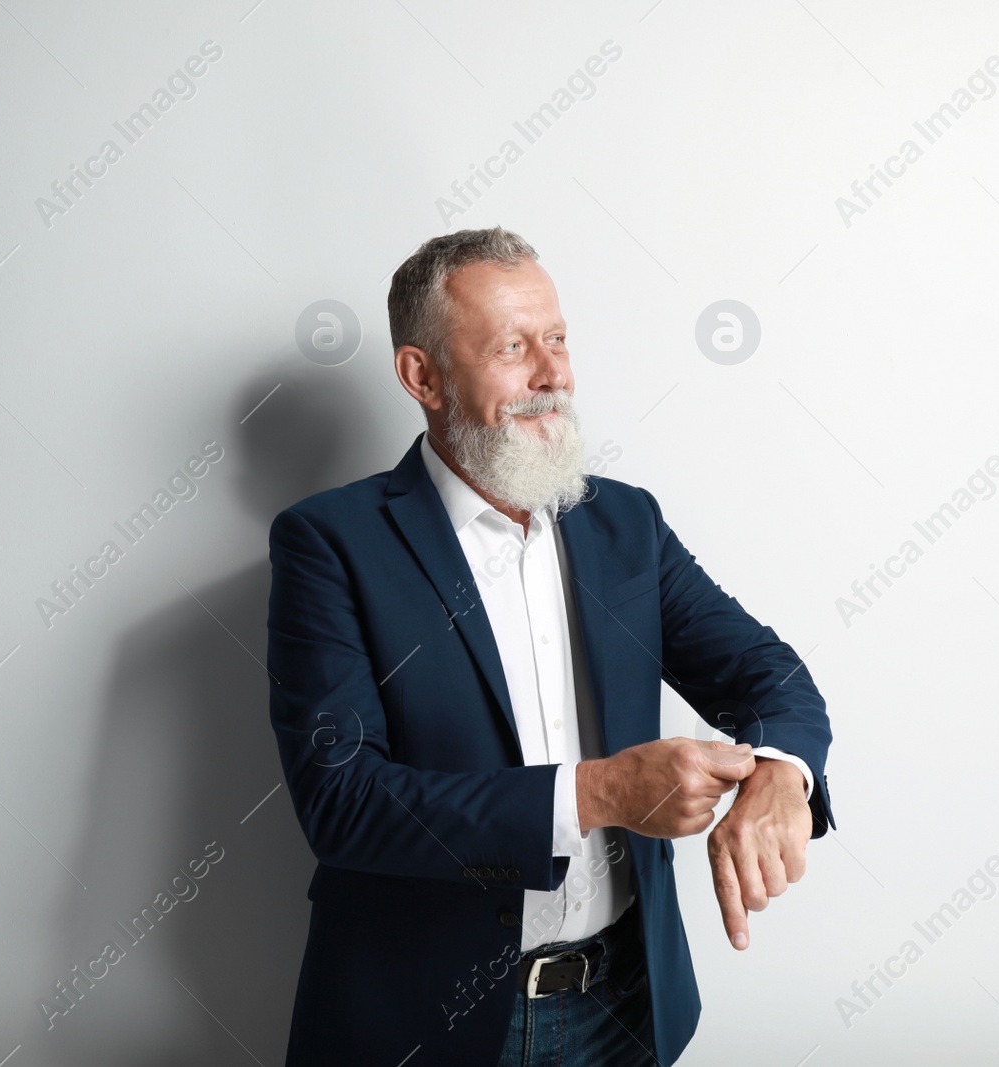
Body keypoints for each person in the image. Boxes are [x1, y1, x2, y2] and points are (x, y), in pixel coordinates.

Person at [267, 226, 835, 1066]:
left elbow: (766, 672)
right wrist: (599, 793)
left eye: (559, 339)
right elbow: (342, 801)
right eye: (513, 346)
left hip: (625, 1010)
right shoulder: (330, 542)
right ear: (422, 376)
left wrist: (786, 769)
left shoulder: (624, 522)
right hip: (429, 1024)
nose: (553, 374)